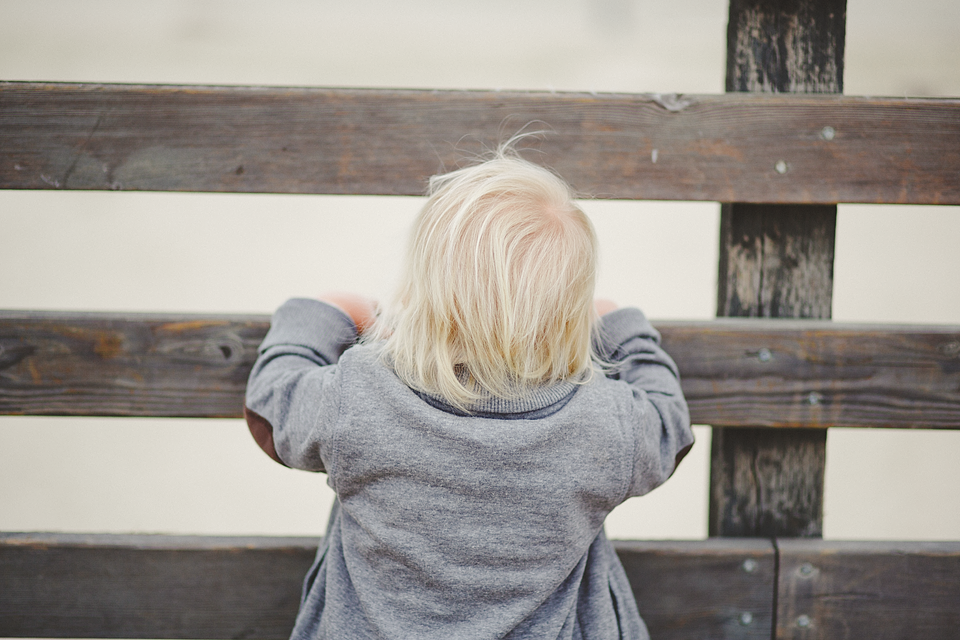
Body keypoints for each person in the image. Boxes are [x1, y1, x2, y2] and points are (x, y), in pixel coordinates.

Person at [244, 144, 693, 640]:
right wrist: (621, 325)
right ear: (571, 316)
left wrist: (326, 309)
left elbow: (273, 405)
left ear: (419, 293)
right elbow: (670, 425)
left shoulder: (359, 398)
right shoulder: (606, 426)